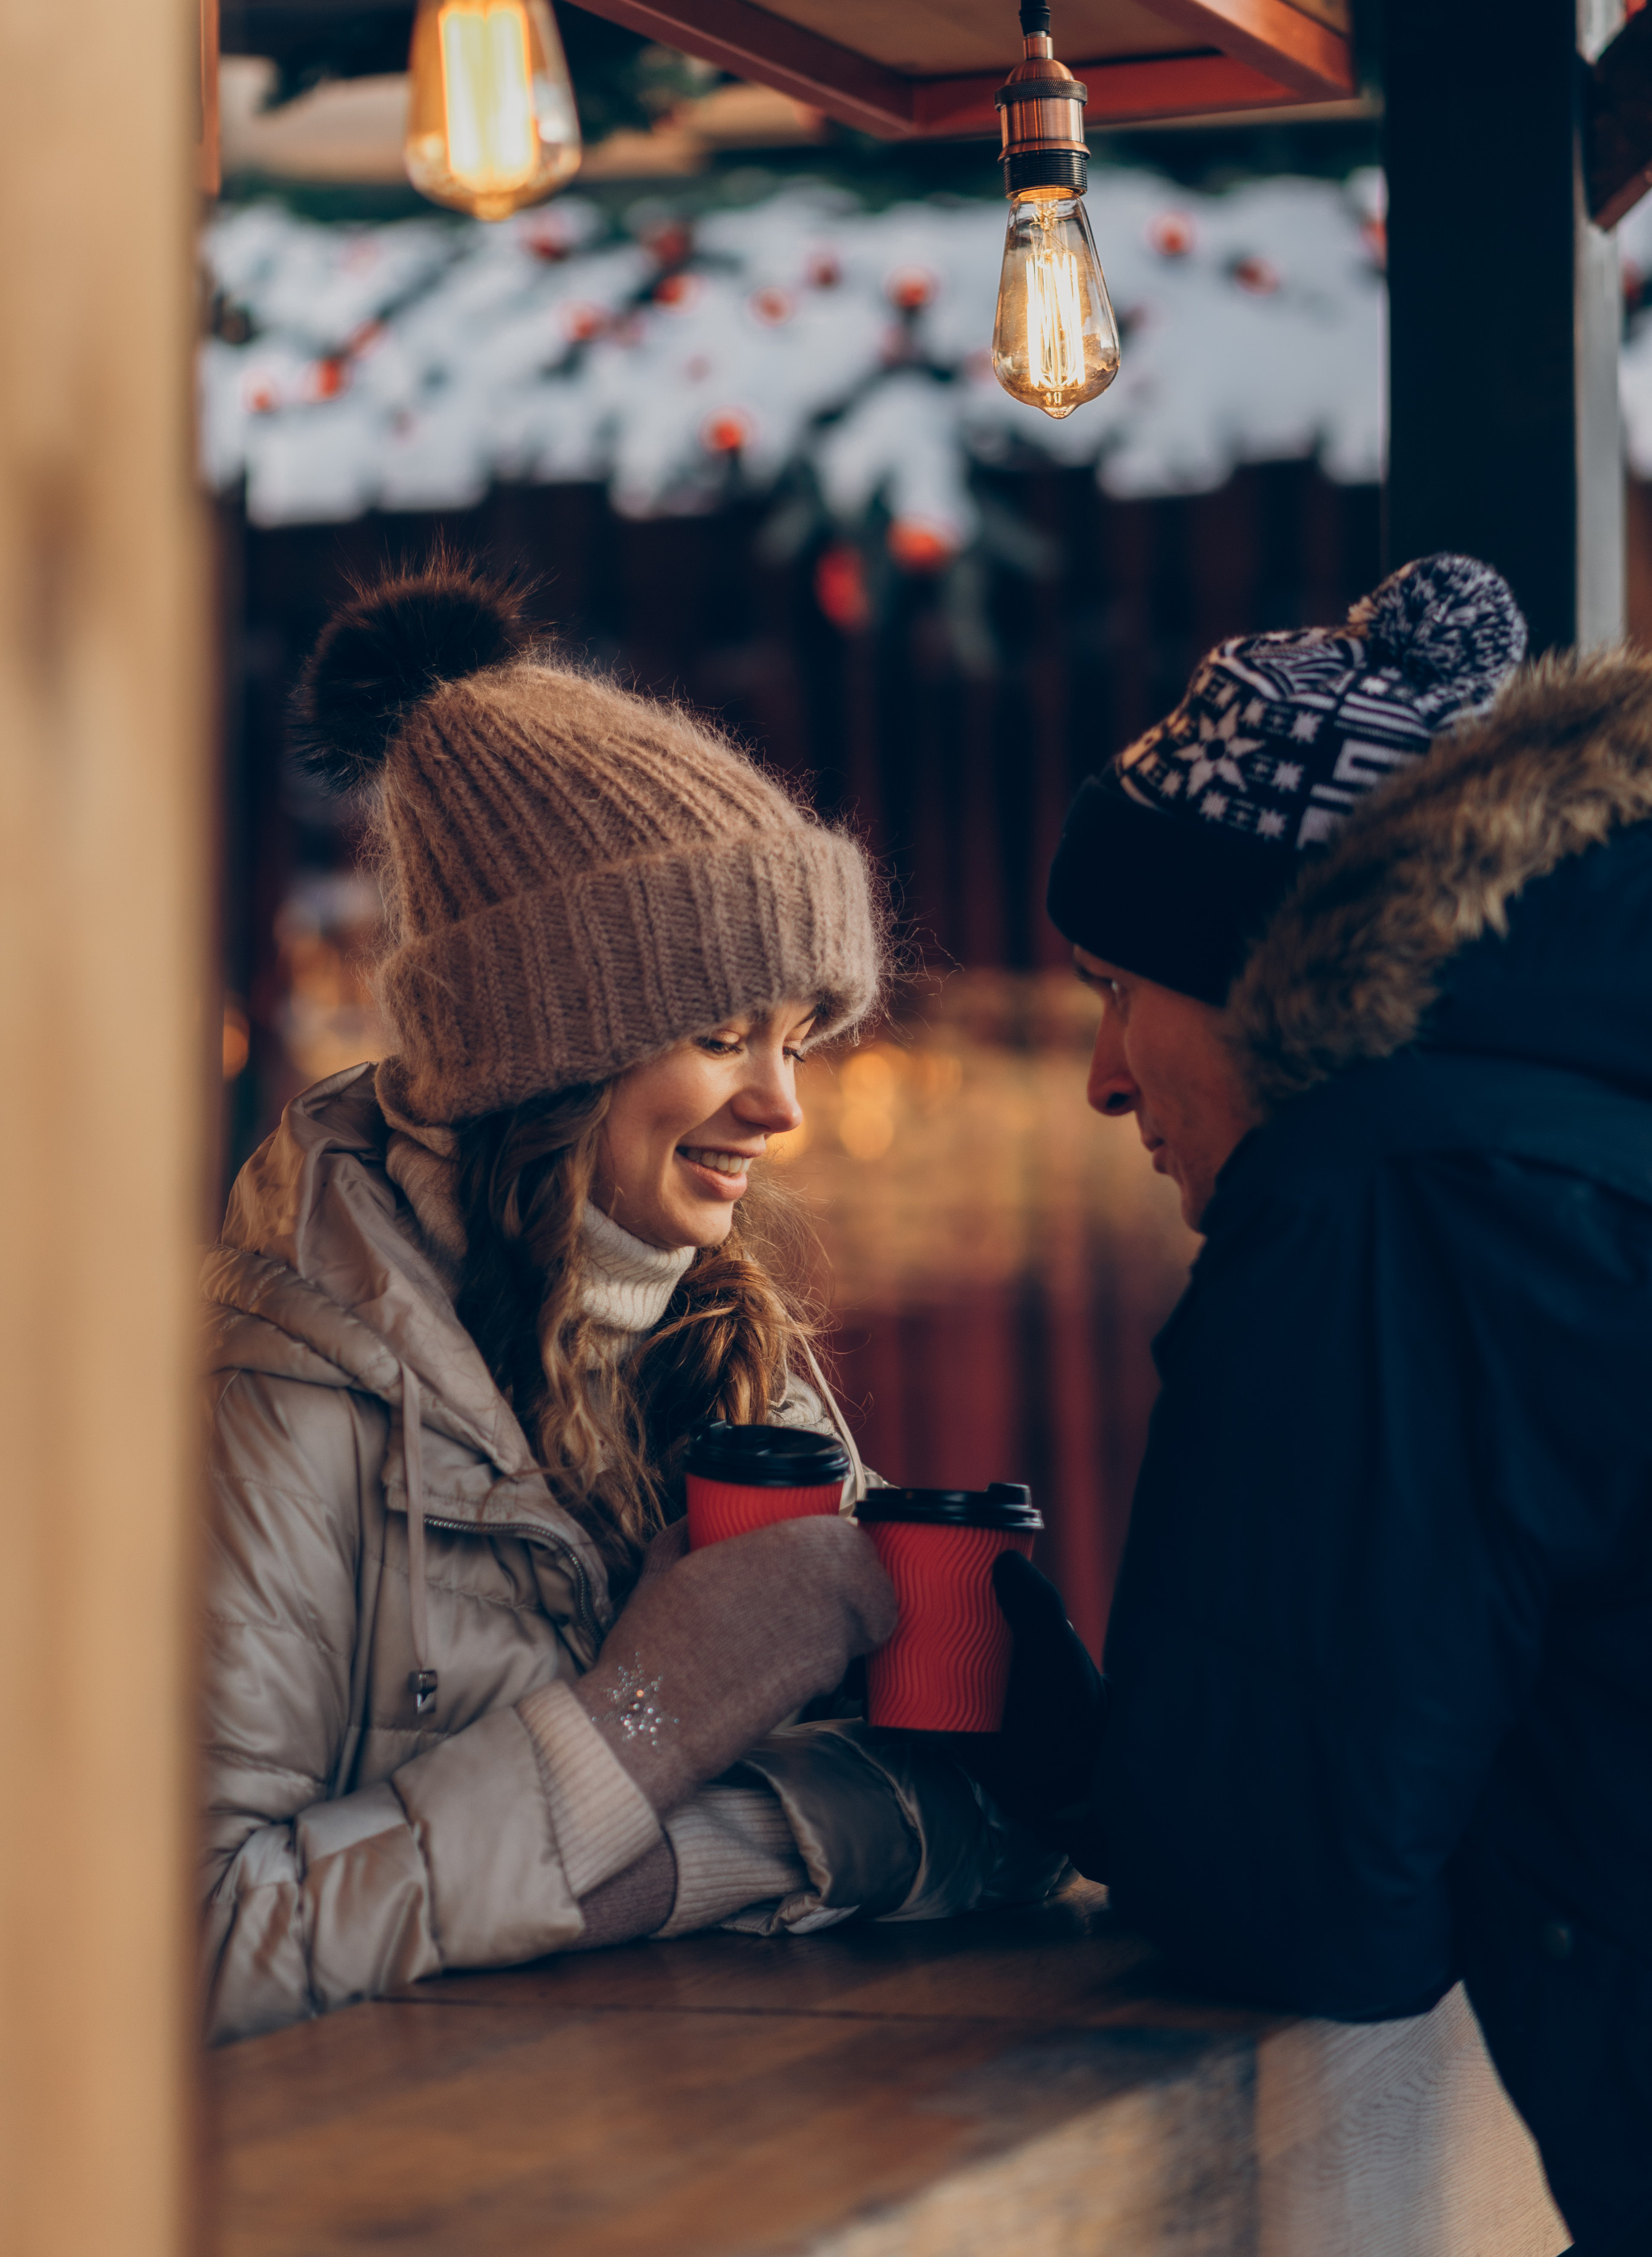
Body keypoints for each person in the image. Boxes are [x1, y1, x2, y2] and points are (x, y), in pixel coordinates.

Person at [201, 555, 1059, 2045]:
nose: (778, 1106)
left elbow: (992, 1821)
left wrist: (670, 1866)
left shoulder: (723, 1350)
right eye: (722, 1033)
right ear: (549, 1052)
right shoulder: (284, 1383)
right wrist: (638, 1724)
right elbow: (194, 1943)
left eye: (799, 1036)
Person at [983, 554, 1652, 2254]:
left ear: (1269, 974)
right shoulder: (1576, 1139)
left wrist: (1043, 1741)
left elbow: (1306, 1898)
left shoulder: (1386, 1199)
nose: (1104, 1074)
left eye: (1120, 986)